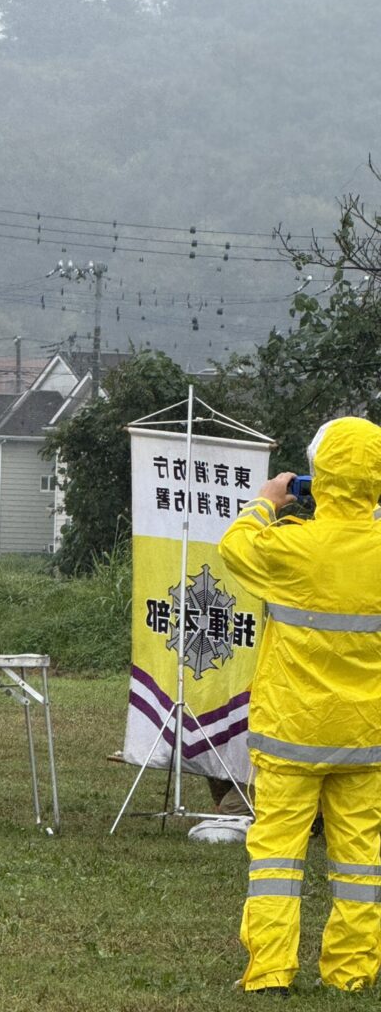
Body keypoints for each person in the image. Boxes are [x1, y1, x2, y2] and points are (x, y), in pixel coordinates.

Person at [218, 416, 381, 994]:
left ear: (320, 476)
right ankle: (353, 974)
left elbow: (235, 547)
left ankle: (269, 973)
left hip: (291, 733)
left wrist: (266, 500)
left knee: (276, 859)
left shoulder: (289, 546)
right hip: (365, 738)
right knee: (360, 861)